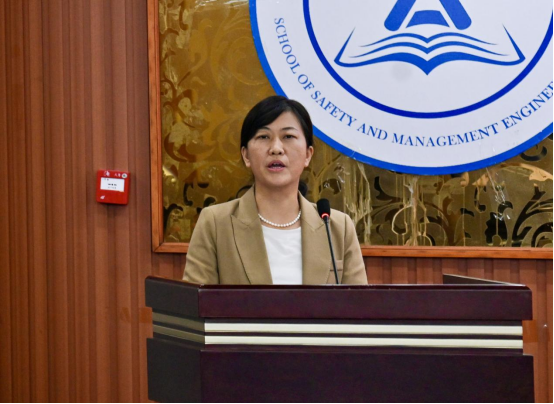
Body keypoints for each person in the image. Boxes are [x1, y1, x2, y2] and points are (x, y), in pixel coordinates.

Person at [183, 96, 367, 285]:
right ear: (246, 155)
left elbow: (360, 302)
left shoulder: (337, 227)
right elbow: (196, 302)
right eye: (264, 137)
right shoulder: (215, 224)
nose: (276, 149)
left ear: (307, 154)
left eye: (288, 137)